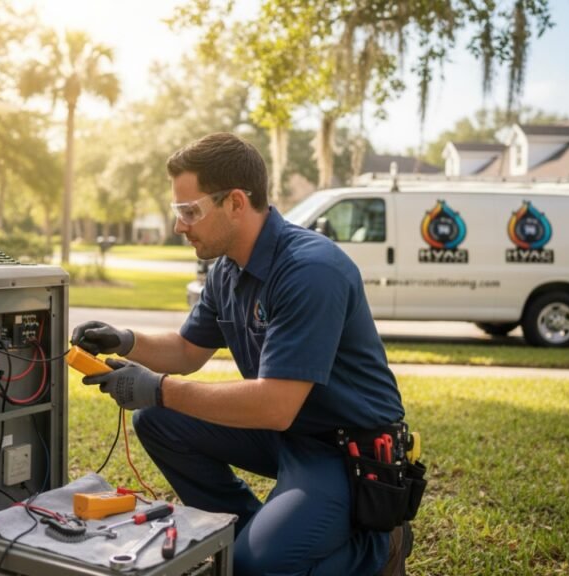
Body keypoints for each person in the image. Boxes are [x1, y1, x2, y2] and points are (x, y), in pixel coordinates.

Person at [73, 132, 411, 576]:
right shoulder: (227, 269)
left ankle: (381, 546)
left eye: (189, 211)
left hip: (344, 450)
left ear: (235, 201)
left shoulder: (310, 270)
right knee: (156, 419)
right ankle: (244, 531)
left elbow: (275, 406)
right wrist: (126, 340)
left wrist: (157, 388)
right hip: (287, 436)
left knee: (258, 565)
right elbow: (188, 349)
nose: (179, 226)